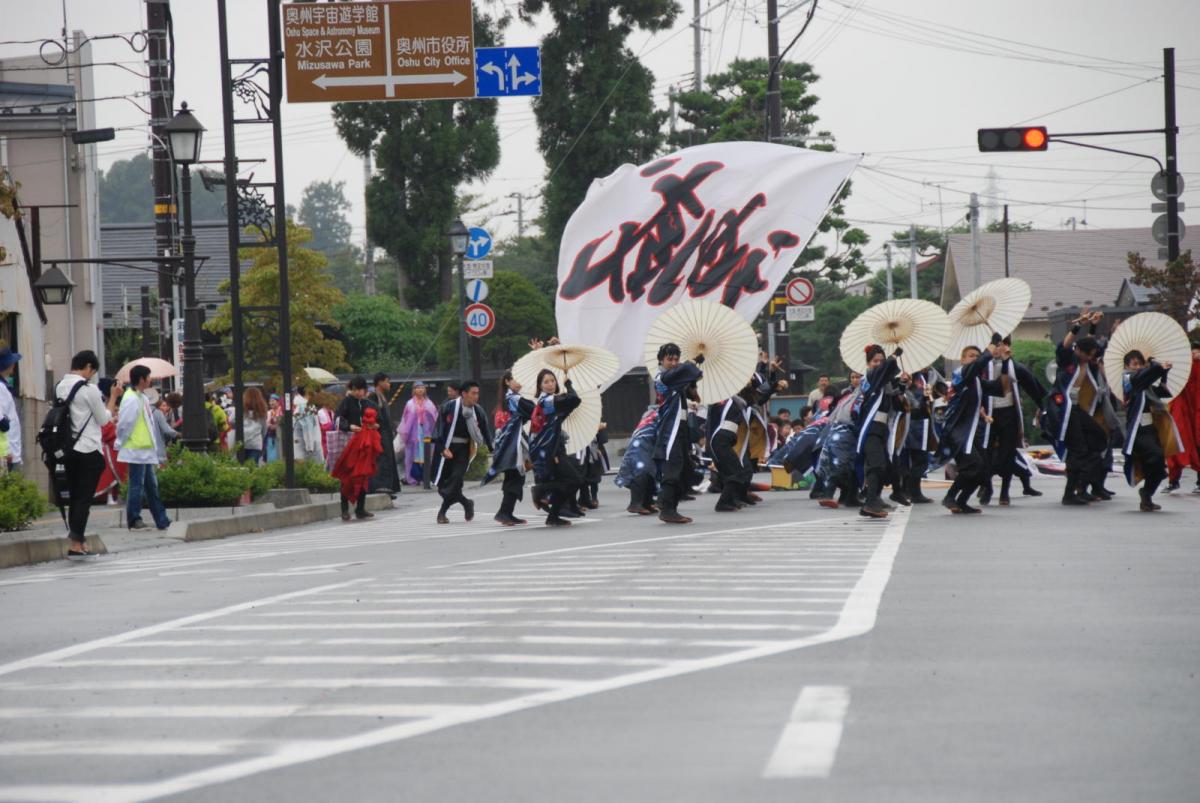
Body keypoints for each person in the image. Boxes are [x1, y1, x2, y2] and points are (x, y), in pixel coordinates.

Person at [55, 351, 121, 558]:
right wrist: (113, 397)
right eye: (92, 371)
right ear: (89, 367)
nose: (91, 375)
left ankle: (79, 541)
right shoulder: (89, 389)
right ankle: (76, 543)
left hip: (67, 449)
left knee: (75, 496)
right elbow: (104, 420)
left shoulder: (59, 386)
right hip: (88, 449)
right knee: (84, 498)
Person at [1045, 311, 1111, 505]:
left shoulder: (1085, 359)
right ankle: (1071, 492)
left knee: (1099, 437)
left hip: (1075, 409)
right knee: (1078, 449)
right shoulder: (1069, 359)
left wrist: (1092, 326)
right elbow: (1066, 345)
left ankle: (1083, 483)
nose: (1092, 358)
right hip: (1063, 409)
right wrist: (1077, 326)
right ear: (1081, 352)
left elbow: (1089, 344)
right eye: (1090, 355)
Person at [939, 334, 1003, 514]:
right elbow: (978, 365)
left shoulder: (976, 380)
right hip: (957, 432)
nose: (975, 358)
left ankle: (962, 501)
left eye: (977, 355)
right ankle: (950, 496)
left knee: (983, 470)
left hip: (971, 432)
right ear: (962, 359)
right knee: (973, 465)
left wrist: (1005, 362)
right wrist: (991, 346)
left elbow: (1001, 388)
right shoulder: (961, 374)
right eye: (971, 356)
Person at [978, 337, 1046, 506]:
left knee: (1007, 454)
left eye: (1003, 345)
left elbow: (1033, 386)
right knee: (985, 454)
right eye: (996, 345)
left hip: (1009, 413)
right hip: (987, 415)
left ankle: (1004, 491)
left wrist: (1043, 406)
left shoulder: (1014, 366)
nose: (999, 349)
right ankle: (987, 487)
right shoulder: (982, 366)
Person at [116, 364, 172, 531]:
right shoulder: (131, 398)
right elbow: (125, 424)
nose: (150, 380)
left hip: (145, 450)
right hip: (136, 449)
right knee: (137, 486)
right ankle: (134, 518)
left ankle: (161, 520)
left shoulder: (142, 397)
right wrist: (120, 442)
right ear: (141, 379)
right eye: (148, 377)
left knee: (150, 486)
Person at [652, 343, 703, 524]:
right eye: (669, 359)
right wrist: (693, 361)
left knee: (683, 468)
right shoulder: (661, 378)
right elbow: (679, 374)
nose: (673, 363)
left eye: (676, 359)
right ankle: (666, 508)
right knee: (672, 468)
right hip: (669, 429)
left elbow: (689, 387)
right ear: (661, 360)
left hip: (680, 428)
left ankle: (671, 507)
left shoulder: (674, 378)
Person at [1121, 351, 1178, 512]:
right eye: (1134, 364)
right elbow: (1140, 380)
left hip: (1151, 427)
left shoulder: (1146, 382)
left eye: (1141, 364)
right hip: (1137, 429)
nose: (1138, 367)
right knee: (1155, 456)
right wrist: (1155, 367)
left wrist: (1163, 373)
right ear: (1127, 366)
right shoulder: (1128, 379)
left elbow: (1162, 391)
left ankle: (1146, 495)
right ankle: (1146, 493)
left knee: (1159, 468)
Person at [854, 345, 904, 518]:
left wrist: (903, 384)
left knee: (885, 466)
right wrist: (892, 357)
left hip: (882, 428)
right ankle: (870, 502)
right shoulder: (868, 377)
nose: (879, 364)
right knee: (876, 464)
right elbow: (881, 373)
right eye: (875, 361)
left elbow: (897, 404)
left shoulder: (884, 382)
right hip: (870, 427)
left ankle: (874, 499)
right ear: (868, 364)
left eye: (881, 361)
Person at [432, 380, 492, 524]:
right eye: (473, 393)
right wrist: (442, 449)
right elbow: (438, 429)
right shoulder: (448, 407)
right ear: (464, 394)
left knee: (455, 479)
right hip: (447, 449)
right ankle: (466, 503)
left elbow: (485, 431)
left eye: (478, 393)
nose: (476, 396)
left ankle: (442, 512)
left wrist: (492, 448)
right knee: (444, 487)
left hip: (464, 450)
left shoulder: (478, 411)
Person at [529, 369, 584, 526]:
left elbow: (574, 403)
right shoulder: (547, 401)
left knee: (565, 482)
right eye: (546, 382)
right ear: (540, 385)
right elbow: (573, 398)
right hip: (549, 449)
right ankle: (539, 490)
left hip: (553, 447)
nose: (550, 384)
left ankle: (553, 516)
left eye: (553, 380)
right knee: (574, 480)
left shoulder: (551, 401)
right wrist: (569, 384)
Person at [483, 371, 536, 525]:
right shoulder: (513, 398)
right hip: (511, 446)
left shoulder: (508, 399)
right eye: (516, 379)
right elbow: (532, 409)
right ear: (507, 381)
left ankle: (507, 512)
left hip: (510, 444)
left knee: (514, 477)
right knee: (515, 477)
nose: (520, 383)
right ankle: (504, 512)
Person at [332, 407, 384, 522]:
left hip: (358, 463)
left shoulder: (367, 432)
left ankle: (359, 509)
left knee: (359, 483)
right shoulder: (365, 433)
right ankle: (348, 510)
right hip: (353, 462)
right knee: (350, 483)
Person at [707, 386, 750, 512]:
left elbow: (745, 403)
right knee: (736, 472)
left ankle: (730, 500)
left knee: (730, 472)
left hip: (724, 441)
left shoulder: (731, 401)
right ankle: (723, 502)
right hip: (719, 441)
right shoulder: (721, 401)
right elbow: (743, 403)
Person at [1166, 342, 1200, 493]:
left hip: (1196, 409)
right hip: (1183, 409)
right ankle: (1173, 480)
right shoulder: (1180, 365)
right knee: (1176, 443)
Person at [399, 380, 438, 485]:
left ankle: (426, 477)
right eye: (417, 388)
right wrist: (406, 433)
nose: (420, 389)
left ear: (425, 389)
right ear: (414, 390)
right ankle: (411, 478)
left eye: (422, 387)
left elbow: (435, 417)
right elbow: (405, 419)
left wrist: (427, 414)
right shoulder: (410, 403)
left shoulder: (429, 403)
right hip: (413, 432)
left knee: (427, 454)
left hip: (426, 431)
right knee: (412, 455)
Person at [368, 373, 400, 495]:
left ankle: (388, 487)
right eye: (387, 381)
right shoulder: (373, 396)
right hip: (379, 433)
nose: (388, 384)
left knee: (388, 459)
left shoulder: (381, 396)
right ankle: (380, 486)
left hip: (385, 433)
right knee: (381, 460)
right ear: (380, 382)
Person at [0, 346, 21, 473]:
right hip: (6, 451)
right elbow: (2, 420)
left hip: (8, 450)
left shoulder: (4, 385)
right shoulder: (1, 387)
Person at [147, 389, 179, 465]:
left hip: (145, 452)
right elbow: (167, 430)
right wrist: (178, 434)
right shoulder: (157, 413)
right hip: (158, 452)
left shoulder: (142, 411)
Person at [241, 387, 268, 464]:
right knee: (252, 467)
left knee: (241, 467)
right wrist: (260, 438)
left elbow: (231, 420)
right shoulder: (262, 412)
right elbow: (264, 430)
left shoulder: (241, 410)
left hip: (242, 442)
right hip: (256, 443)